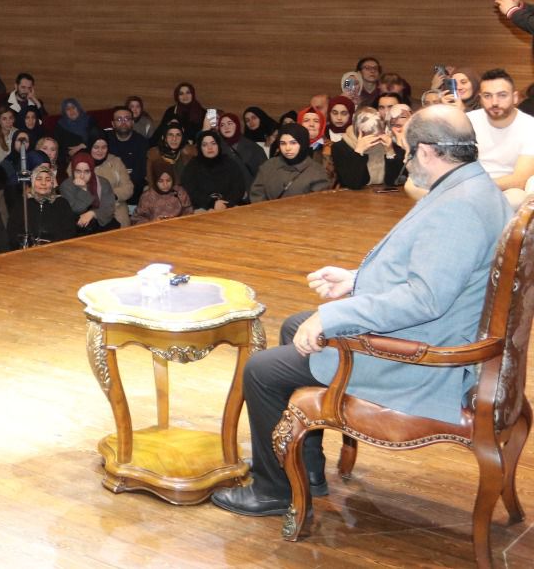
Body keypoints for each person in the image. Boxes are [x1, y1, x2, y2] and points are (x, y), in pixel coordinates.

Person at [213, 105, 511, 518]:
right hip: (442, 331)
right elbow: (436, 274)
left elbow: (424, 299)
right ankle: (307, 471)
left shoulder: (458, 207)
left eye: (407, 152)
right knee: (296, 325)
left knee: (261, 371)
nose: (406, 162)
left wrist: (334, 316)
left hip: (426, 359)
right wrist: (355, 281)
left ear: (426, 151)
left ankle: (273, 491)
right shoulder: (474, 187)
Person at [462, 68, 534, 206]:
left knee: (517, 199)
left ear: (515, 97)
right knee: (414, 185)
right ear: (480, 98)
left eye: (502, 95)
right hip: (469, 182)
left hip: (508, 188)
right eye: (487, 96)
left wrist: (476, 186)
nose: (494, 102)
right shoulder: (467, 121)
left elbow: (519, 179)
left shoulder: (530, 126)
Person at [247, 123, 331, 203]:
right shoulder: (269, 165)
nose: (287, 148)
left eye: (293, 143)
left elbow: (317, 204)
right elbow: (257, 194)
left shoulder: (317, 172)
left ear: (303, 143)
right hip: (267, 216)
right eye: (283, 143)